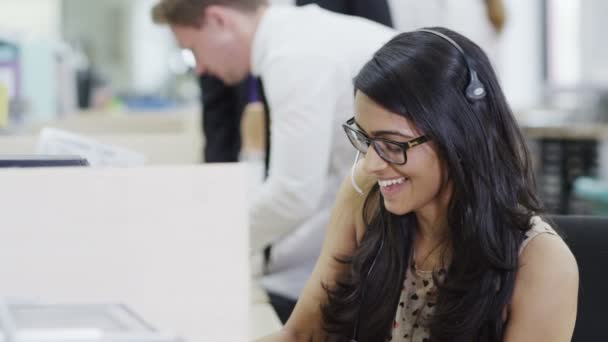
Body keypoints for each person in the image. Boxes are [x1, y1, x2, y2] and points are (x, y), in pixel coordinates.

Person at [259, 27, 578, 341]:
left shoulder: (541, 262)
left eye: (393, 144)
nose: (372, 164)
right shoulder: (365, 196)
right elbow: (303, 332)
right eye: (366, 139)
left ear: (460, 137)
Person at [151, 0, 396, 323]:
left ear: (218, 20)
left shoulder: (292, 56)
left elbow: (293, 195)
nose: (199, 68)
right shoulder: (298, 35)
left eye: (193, 49)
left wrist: (204, 244)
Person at [199, 0, 393, 163]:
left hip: (362, 134)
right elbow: (216, 103)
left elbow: (388, 57)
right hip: (257, 137)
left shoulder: (294, 51)